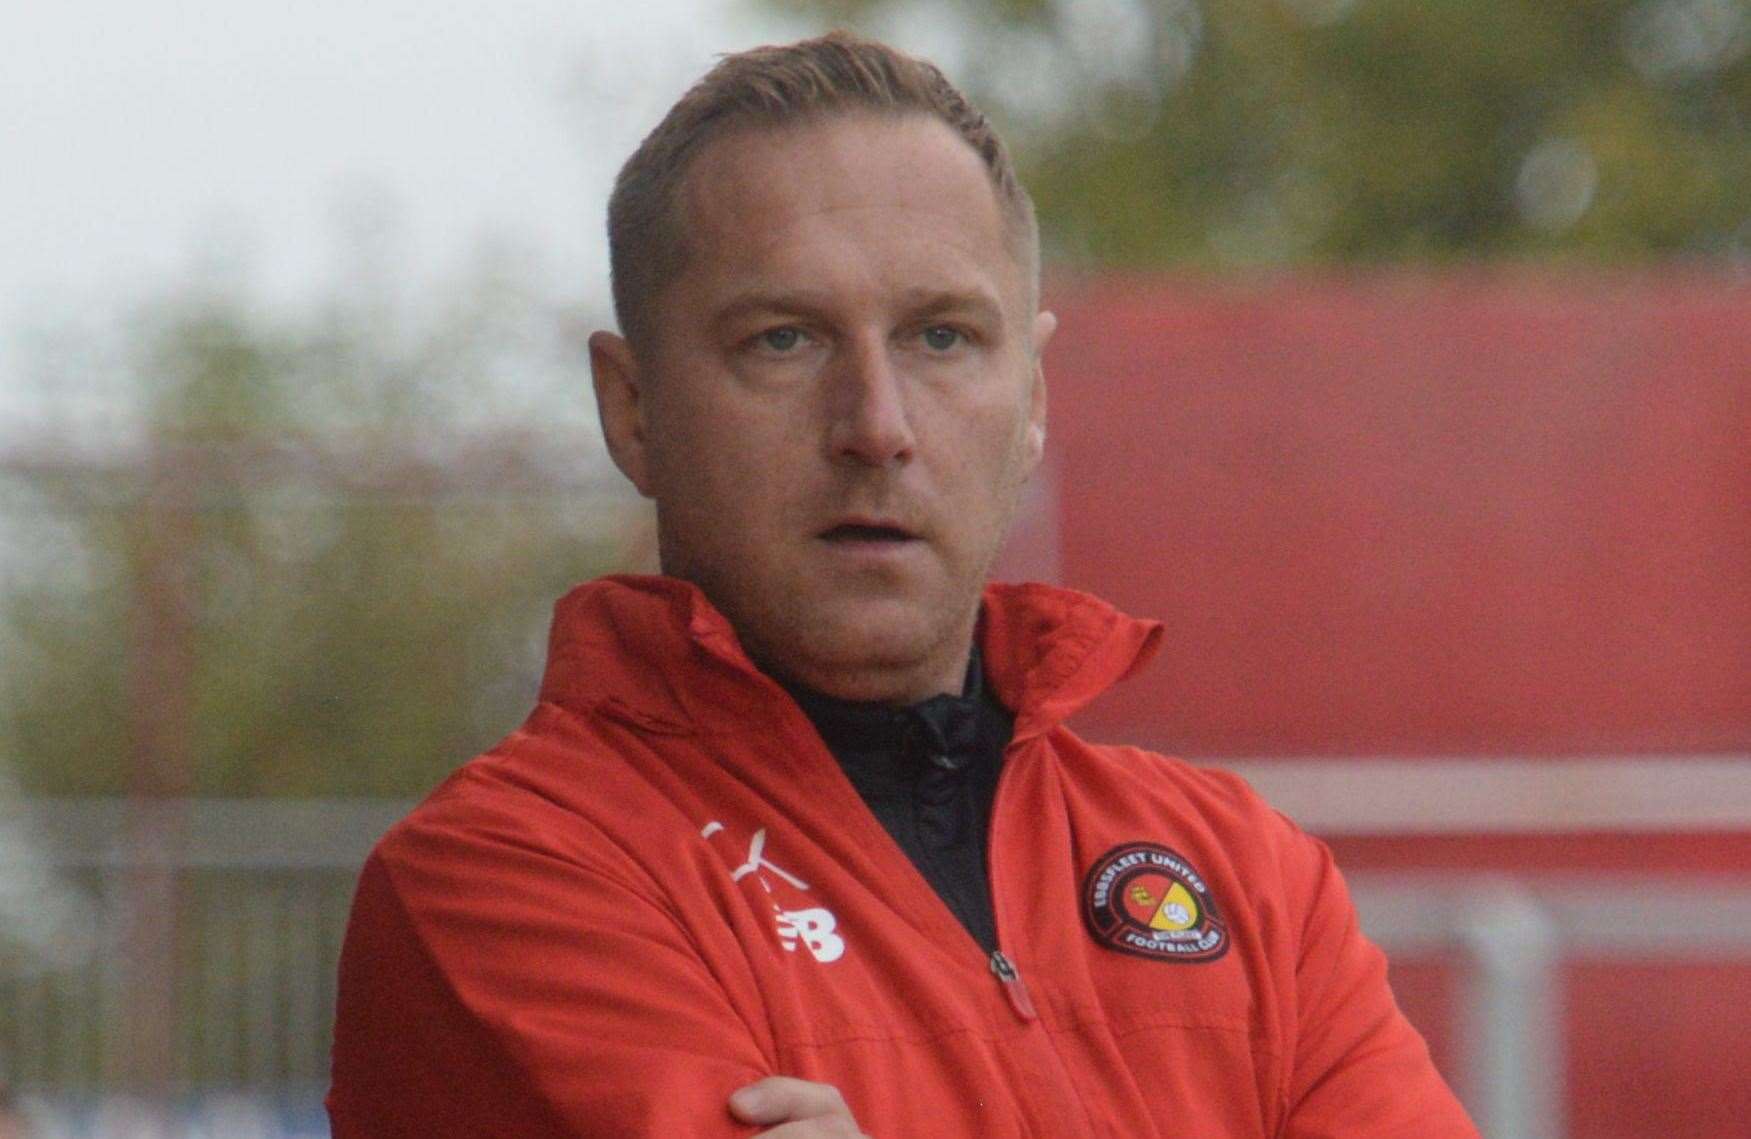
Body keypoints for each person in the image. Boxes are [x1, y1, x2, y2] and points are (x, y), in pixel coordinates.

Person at [327, 31, 1478, 1139]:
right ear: (632, 409)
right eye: (783, 340)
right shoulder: (511, 885)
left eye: (940, 338)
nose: (875, 425)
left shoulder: (1249, 880)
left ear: (1029, 401)